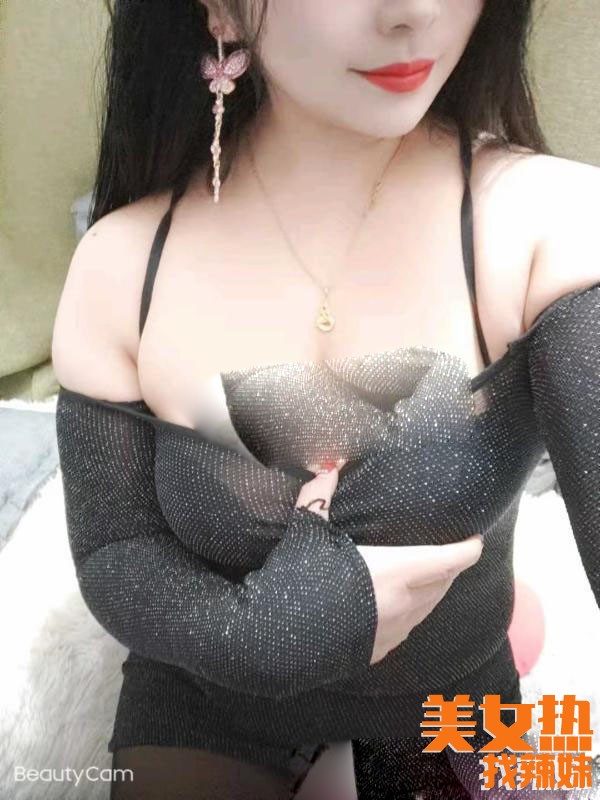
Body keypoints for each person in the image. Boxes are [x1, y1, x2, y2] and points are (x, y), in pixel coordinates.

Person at [51, 1, 600, 798]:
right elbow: (115, 550)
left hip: (451, 717)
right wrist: (259, 642)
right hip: (205, 707)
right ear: (219, 10)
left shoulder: (550, 221)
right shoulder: (123, 262)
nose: (415, 12)